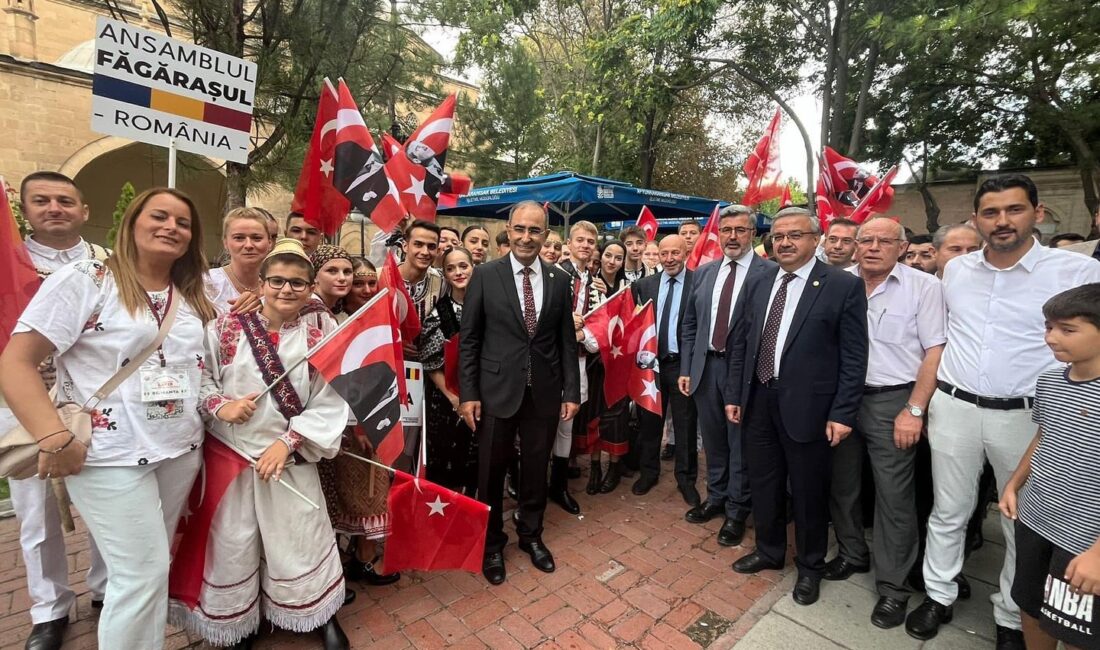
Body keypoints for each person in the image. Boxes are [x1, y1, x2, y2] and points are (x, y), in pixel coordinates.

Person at [0, 187, 217, 648]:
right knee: (141, 575)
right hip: (108, 454)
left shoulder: (189, 292)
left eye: (183, 223)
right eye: (159, 216)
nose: (171, 227)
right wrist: (54, 438)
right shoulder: (88, 277)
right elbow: (15, 363)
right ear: (132, 224)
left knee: (145, 573)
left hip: (178, 449)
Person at [905, 174, 1100, 648]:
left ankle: (1013, 615)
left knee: (1020, 519)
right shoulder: (957, 270)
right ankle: (938, 593)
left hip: (1029, 415)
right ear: (976, 220)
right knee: (949, 509)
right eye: (991, 212)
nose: (1002, 221)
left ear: (1038, 212)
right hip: (955, 406)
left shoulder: (1075, 272)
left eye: (1014, 209)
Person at [171, 238, 351, 650]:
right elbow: (200, 381)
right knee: (234, 541)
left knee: (301, 536)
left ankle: (319, 612)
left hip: (288, 458)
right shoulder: (222, 327)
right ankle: (241, 618)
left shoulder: (319, 334)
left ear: (310, 289)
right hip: (231, 457)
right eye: (277, 281)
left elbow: (331, 398)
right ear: (263, 283)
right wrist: (222, 405)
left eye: (297, 283)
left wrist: (288, 442)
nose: (286, 290)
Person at [724, 206, 868, 607]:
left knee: (808, 493)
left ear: (816, 239)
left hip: (810, 409)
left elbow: (855, 357)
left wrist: (843, 412)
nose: (785, 242)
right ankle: (770, 552)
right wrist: (735, 395)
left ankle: (810, 567)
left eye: (795, 235)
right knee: (765, 482)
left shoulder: (841, 285)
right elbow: (742, 342)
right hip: (758, 400)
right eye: (779, 236)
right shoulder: (760, 281)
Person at [0, 172, 108, 650]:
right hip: (26, 401)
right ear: (26, 209)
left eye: (65, 201)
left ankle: (107, 589)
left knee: (110, 504)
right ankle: (50, 609)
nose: (54, 209)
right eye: (41, 201)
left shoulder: (107, 263)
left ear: (83, 210)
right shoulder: (8, 262)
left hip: (94, 404)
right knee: (36, 514)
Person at [825, 217, 946, 629]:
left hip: (892, 399)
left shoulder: (924, 288)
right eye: (866, 240)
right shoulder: (837, 282)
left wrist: (914, 409)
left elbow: (935, 351)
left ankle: (893, 587)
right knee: (843, 485)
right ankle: (851, 554)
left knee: (894, 496)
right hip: (841, 398)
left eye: (884, 241)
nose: (873, 247)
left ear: (901, 245)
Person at [459, 200, 580, 585]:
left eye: (536, 230)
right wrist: (468, 393)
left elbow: (565, 342)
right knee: (490, 473)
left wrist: (571, 392)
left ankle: (531, 534)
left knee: (534, 470)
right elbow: (470, 340)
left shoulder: (560, 280)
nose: (527, 237)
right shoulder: (485, 275)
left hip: (543, 393)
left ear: (545, 235)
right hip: (496, 392)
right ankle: (492, 544)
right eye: (521, 229)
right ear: (509, 231)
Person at [1000, 283, 1100, 650]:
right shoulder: (1051, 381)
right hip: (1037, 519)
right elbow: (1045, 436)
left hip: (1086, 540)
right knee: (1031, 604)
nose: (1051, 338)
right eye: (1048, 327)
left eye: (1067, 329)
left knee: (1076, 628)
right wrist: (1014, 484)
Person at [678, 204, 774, 544]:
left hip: (744, 373)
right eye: (726, 230)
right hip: (706, 369)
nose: (732, 236)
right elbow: (690, 324)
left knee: (740, 444)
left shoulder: (770, 273)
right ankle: (715, 498)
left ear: (752, 234)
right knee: (714, 441)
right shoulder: (704, 272)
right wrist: (688, 367)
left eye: (740, 230)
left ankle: (737, 510)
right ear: (718, 234)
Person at [630, 235, 697, 498]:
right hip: (651, 366)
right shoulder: (644, 285)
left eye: (675, 253)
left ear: (685, 253)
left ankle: (686, 478)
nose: (669, 258)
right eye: (664, 253)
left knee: (685, 424)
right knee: (650, 422)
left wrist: (691, 367)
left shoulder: (698, 283)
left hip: (682, 366)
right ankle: (648, 473)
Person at [422, 247, 478, 494]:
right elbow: (431, 362)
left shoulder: (491, 307)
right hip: (449, 401)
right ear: (443, 274)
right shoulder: (442, 311)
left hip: (485, 397)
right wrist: (454, 398)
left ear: (473, 267)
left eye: (463, 266)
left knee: (478, 461)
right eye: (451, 268)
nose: (458, 272)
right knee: (448, 461)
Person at [578, 240, 631, 494]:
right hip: (594, 361)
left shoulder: (627, 288)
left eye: (618, 257)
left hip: (618, 364)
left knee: (616, 416)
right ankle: (596, 466)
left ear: (623, 262)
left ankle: (614, 467)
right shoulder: (590, 285)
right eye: (608, 255)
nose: (612, 261)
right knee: (594, 414)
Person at [206, 207, 273, 314]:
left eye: (256, 238)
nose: (248, 245)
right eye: (239, 238)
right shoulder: (207, 283)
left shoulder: (281, 285)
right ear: (225, 243)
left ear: (269, 243)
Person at [398, 220, 444, 357]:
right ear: (405, 246)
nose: (425, 252)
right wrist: (393, 341)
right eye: (418, 244)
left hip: (426, 368)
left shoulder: (442, 283)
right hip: (385, 366)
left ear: (437, 251)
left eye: (431, 246)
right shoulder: (380, 277)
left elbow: (450, 328)